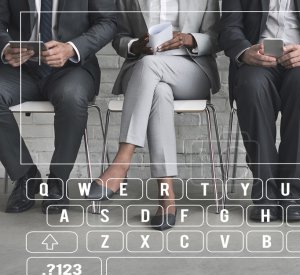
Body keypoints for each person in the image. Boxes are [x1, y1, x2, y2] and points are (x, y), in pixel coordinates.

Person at [88, 0, 220, 231]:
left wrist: (190, 39)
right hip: (143, 70)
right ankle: (166, 197)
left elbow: (217, 36)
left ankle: (122, 161)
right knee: (159, 90)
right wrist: (134, 46)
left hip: (191, 67)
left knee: (150, 67)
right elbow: (119, 38)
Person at [219, 0, 300, 222]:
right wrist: (244, 51)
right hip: (258, 60)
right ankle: (265, 193)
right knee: (252, 87)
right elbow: (229, 27)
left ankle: (291, 194)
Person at [0, 0, 117, 214]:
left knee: (72, 96)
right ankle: (25, 175)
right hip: (22, 69)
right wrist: (6, 47)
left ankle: (58, 180)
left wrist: (72, 48)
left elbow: (108, 21)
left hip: (72, 67)